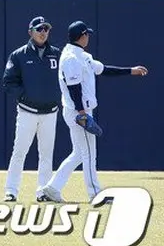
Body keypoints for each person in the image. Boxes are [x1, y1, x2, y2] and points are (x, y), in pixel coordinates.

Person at [40, 21, 148, 203]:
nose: (88, 37)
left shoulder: (82, 56)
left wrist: (131, 71)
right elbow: (74, 88)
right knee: (90, 153)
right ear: (82, 36)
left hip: (78, 110)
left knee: (79, 153)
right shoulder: (71, 58)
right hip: (77, 111)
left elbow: (104, 70)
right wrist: (82, 114)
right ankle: (96, 194)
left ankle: (52, 188)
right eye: (87, 34)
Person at [2, 16, 62, 202]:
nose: (43, 32)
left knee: (46, 155)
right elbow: (8, 81)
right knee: (19, 152)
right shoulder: (19, 55)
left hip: (50, 112)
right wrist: (25, 96)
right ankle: (11, 191)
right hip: (27, 111)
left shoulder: (57, 54)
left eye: (46, 29)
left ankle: (43, 192)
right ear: (30, 32)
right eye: (39, 29)